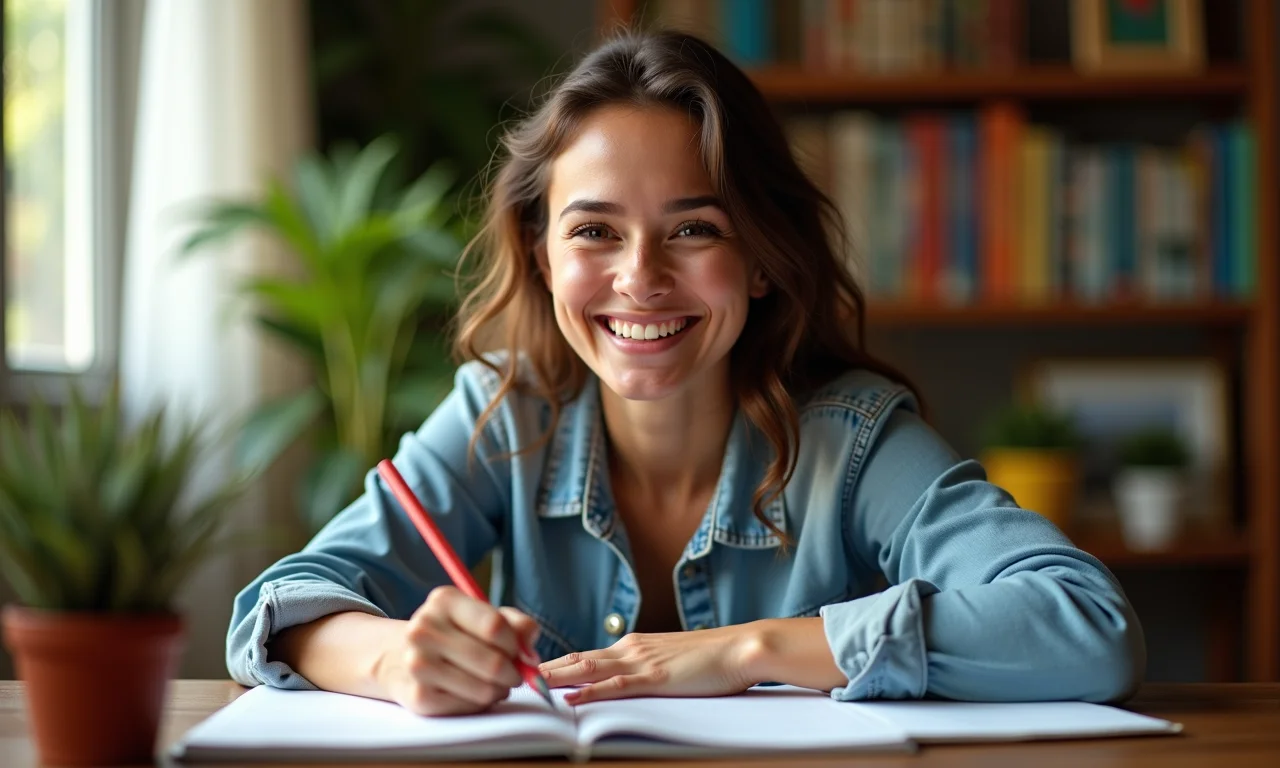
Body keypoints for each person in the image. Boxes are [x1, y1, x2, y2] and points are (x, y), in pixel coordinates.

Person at [227, 30, 1144, 716]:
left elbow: (1085, 624)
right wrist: (393, 659)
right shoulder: (504, 413)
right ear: (543, 256)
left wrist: (748, 651)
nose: (640, 278)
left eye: (694, 229)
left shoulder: (853, 440)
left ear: (761, 258)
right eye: (594, 231)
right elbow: (276, 611)